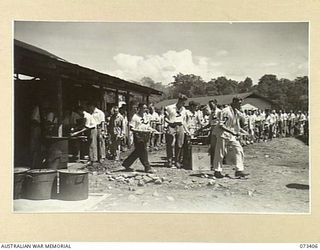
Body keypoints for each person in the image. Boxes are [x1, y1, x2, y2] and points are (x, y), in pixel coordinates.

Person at [212, 97, 249, 179]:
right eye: (239, 103)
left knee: (238, 149)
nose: (240, 105)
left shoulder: (236, 112)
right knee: (220, 153)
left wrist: (241, 131)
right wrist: (232, 132)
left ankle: (239, 170)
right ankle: (217, 171)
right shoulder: (226, 111)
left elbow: (238, 124)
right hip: (222, 134)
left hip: (231, 135)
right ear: (234, 102)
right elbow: (221, 125)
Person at [122, 103, 156, 173]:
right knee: (143, 150)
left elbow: (147, 125)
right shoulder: (135, 117)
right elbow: (131, 128)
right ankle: (147, 167)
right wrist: (138, 131)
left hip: (145, 135)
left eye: (146, 108)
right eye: (144, 108)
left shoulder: (146, 116)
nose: (145, 110)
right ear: (139, 108)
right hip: (138, 135)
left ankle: (126, 163)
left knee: (138, 151)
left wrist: (152, 129)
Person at [164, 94, 190, 168]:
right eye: (182, 101)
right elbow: (165, 117)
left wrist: (186, 130)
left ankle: (177, 161)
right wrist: (169, 123)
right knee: (170, 144)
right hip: (172, 125)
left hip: (180, 126)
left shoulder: (184, 109)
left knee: (179, 144)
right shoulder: (170, 107)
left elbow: (184, 121)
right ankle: (169, 160)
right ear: (179, 100)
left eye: (184, 102)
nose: (183, 104)